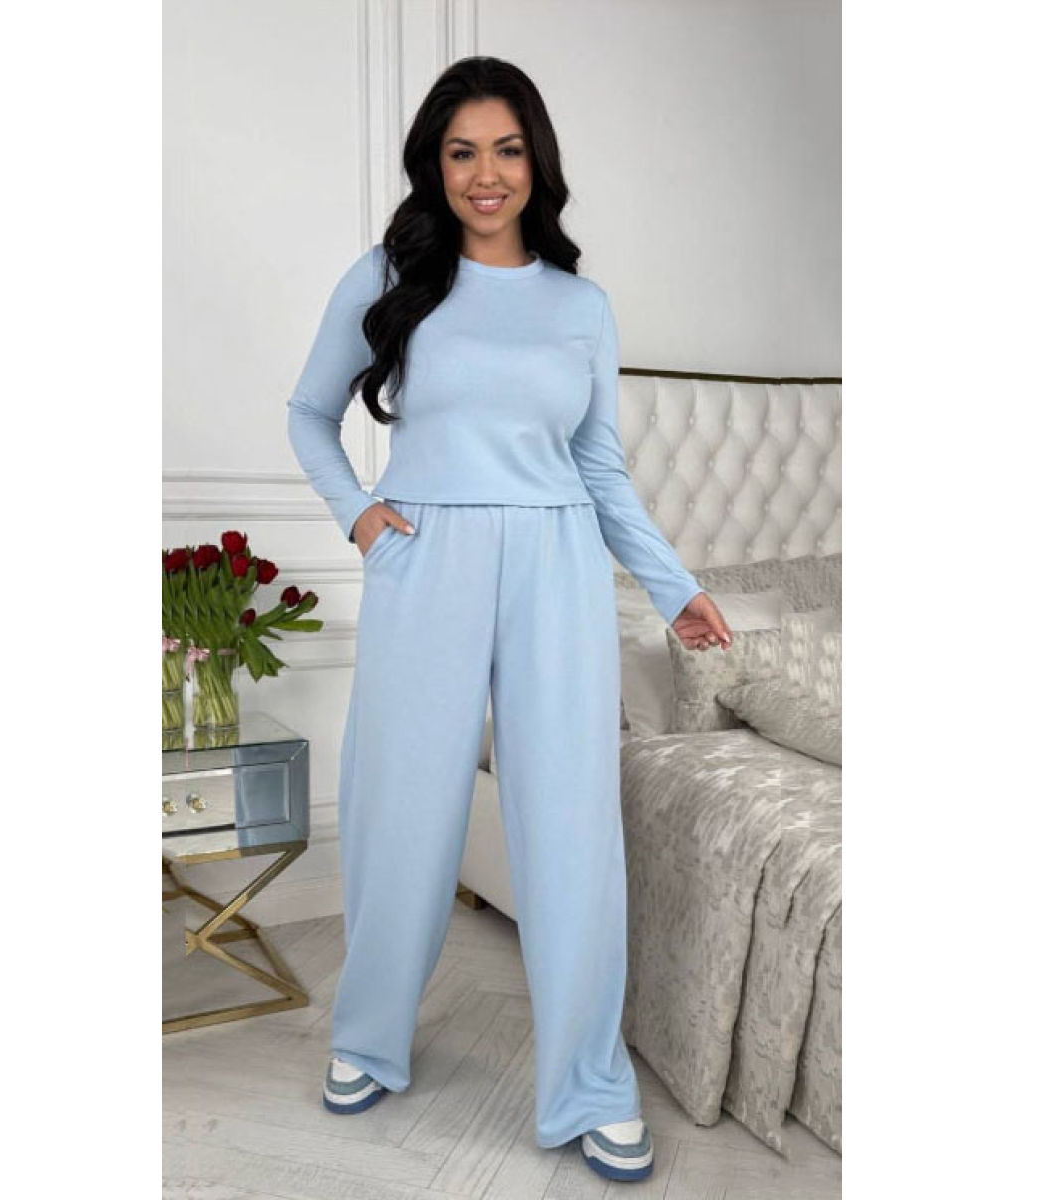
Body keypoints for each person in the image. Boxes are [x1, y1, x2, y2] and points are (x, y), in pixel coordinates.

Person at [286, 56, 731, 1184]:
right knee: (401, 809)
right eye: (461, 152)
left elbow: (599, 467)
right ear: (434, 166)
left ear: (538, 160)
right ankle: (368, 1038)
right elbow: (308, 414)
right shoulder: (390, 276)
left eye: (507, 149)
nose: (486, 174)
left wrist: (674, 587)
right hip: (423, 556)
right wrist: (361, 516)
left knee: (571, 823)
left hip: (556, 562)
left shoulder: (581, 306)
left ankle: (591, 1085)